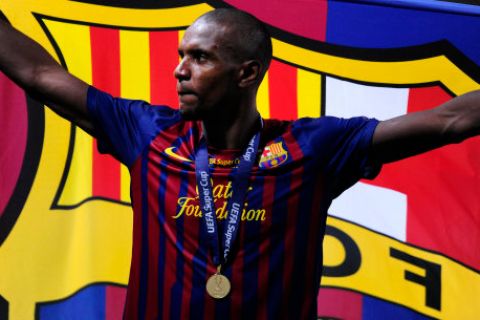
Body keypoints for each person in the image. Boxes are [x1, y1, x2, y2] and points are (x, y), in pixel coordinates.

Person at [1, 7, 479, 320]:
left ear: (247, 73)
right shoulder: (149, 134)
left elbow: (448, 120)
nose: (179, 70)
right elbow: (40, 74)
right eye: (181, 56)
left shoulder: (312, 149)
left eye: (200, 58)